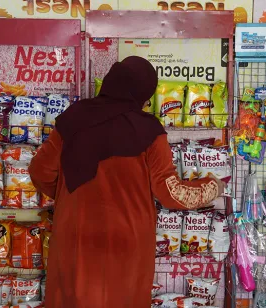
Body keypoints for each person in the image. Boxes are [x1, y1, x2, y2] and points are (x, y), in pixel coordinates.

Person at [29, 56, 225, 308]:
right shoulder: (148, 130)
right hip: (127, 240)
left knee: (74, 298)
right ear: (142, 94)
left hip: (76, 235)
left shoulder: (73, 118)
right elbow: (172, 194)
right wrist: (212, 186)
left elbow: (39, 172)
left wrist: (70, 197)